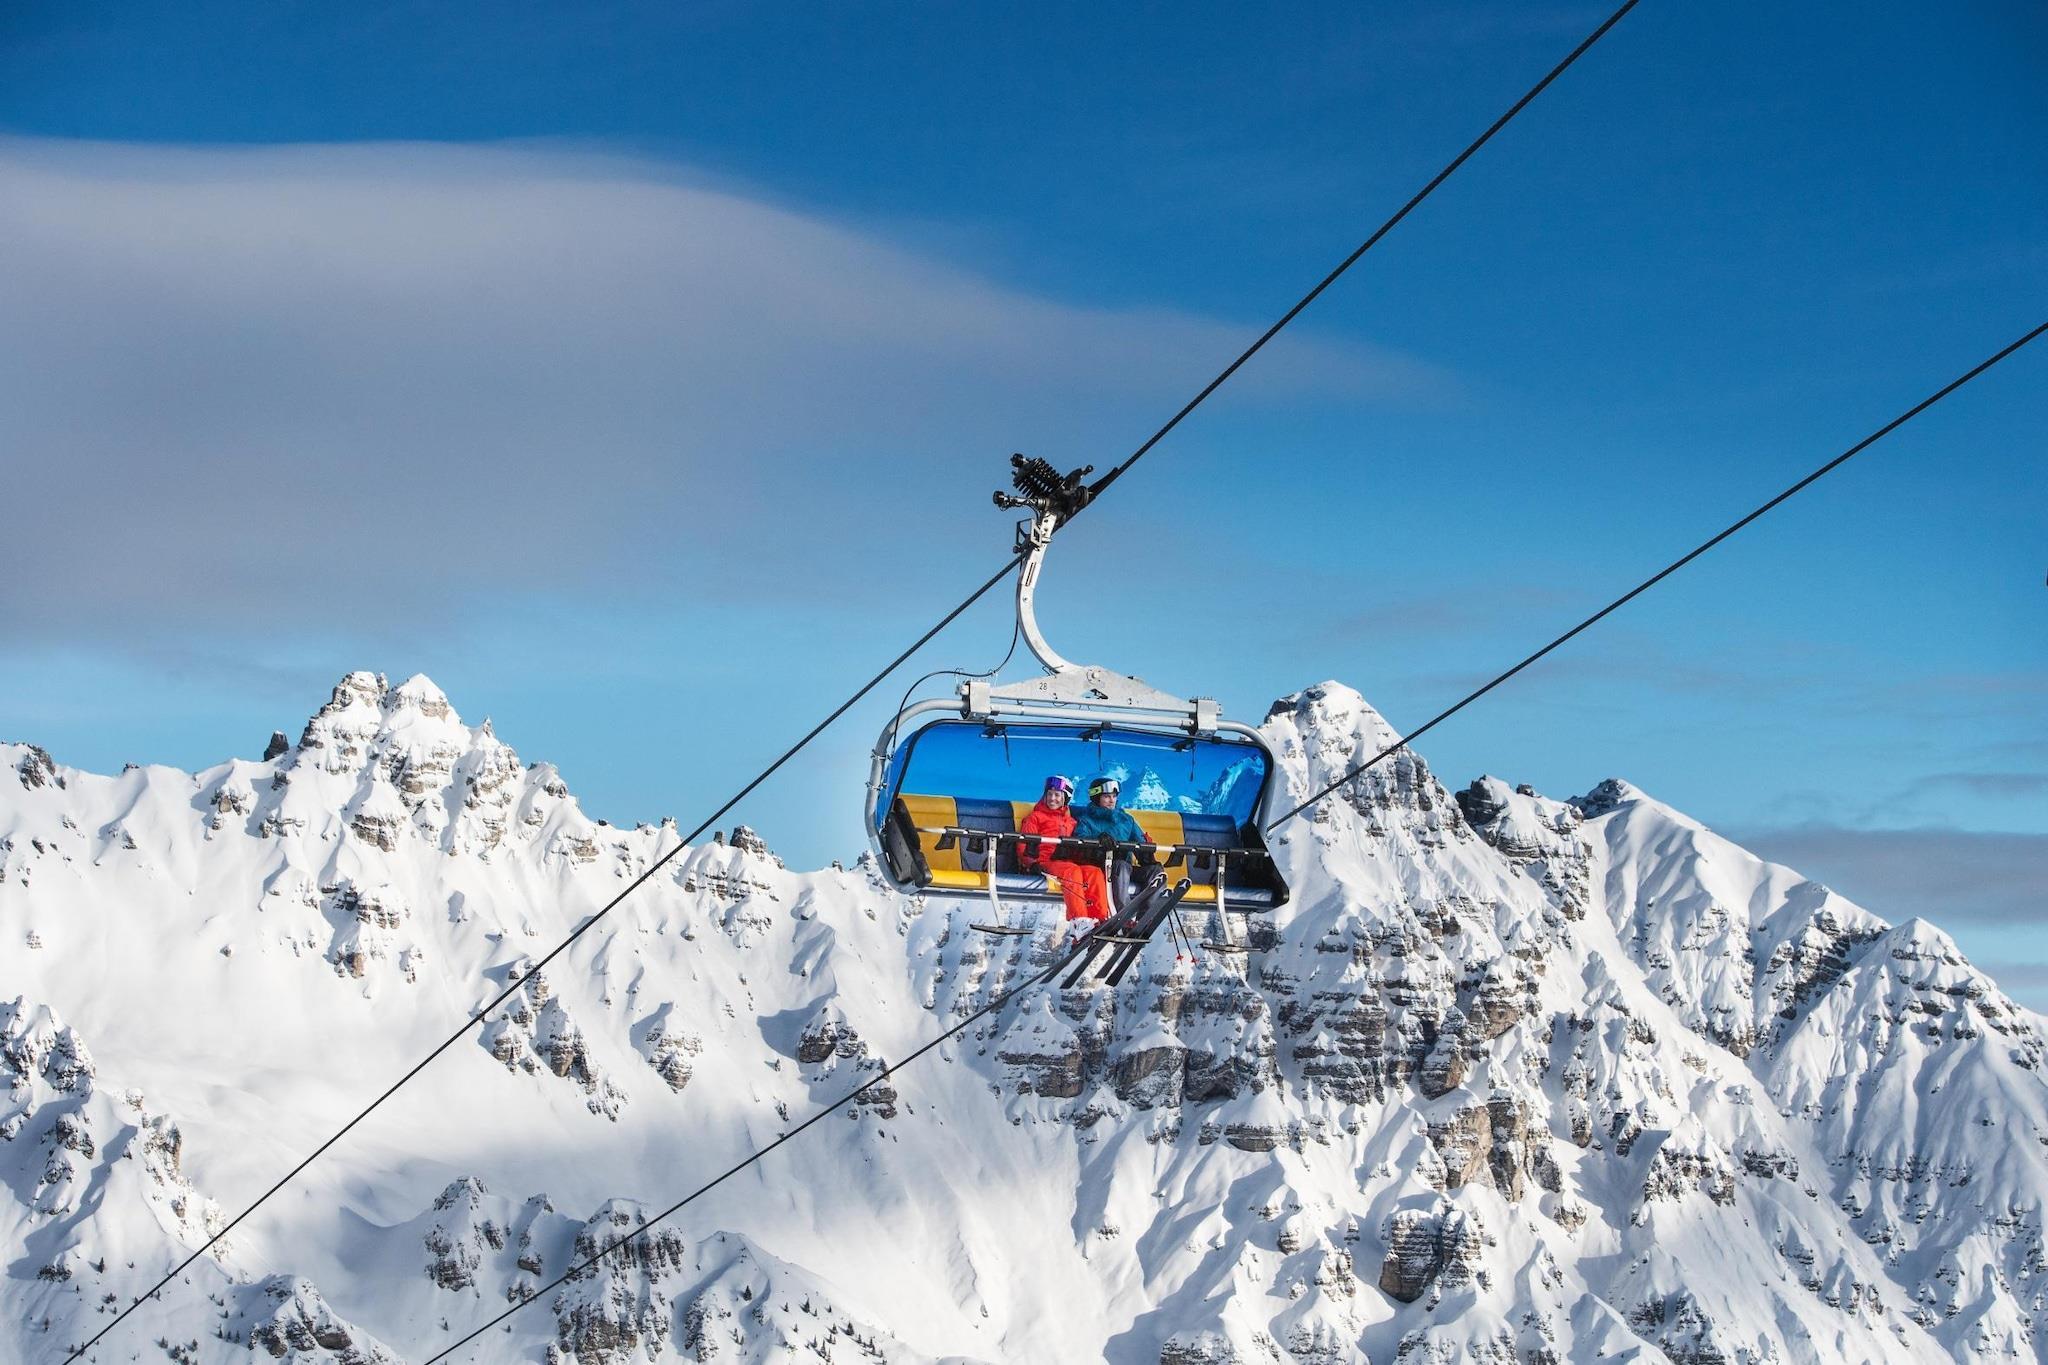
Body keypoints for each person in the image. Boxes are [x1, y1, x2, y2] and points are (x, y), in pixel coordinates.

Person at [1017, 775, 1110, 922]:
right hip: (1045, 862)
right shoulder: (1035, 818)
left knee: (1094, 872)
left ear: (1066, 798)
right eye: (1049, 794)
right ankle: (1079, 920)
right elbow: (1024, 844)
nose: (1052, 799)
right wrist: (1031, 863)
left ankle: (1099, 919)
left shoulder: (1071, 822)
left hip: (1067, 863)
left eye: (1057, 795)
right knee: (1071, 871)